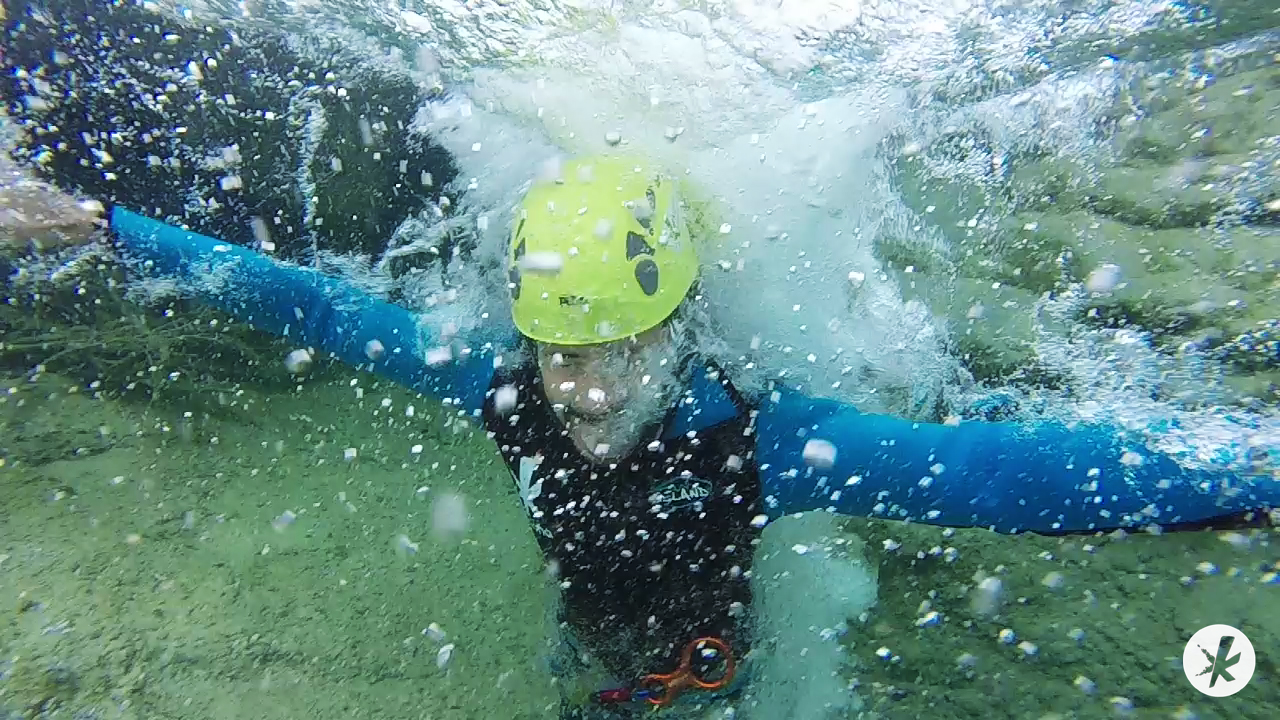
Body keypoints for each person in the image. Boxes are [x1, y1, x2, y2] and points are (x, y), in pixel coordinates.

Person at [104, 156, 1278, 718]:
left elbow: (994, 476)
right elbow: (312, 304)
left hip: (714, 664)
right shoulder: (492, 379)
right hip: (601, 650)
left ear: (683, 327)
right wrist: (103, 222)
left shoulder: (761, 440)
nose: (593, 392)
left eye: (627, 352)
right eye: (566, 355)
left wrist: (1243, 472)